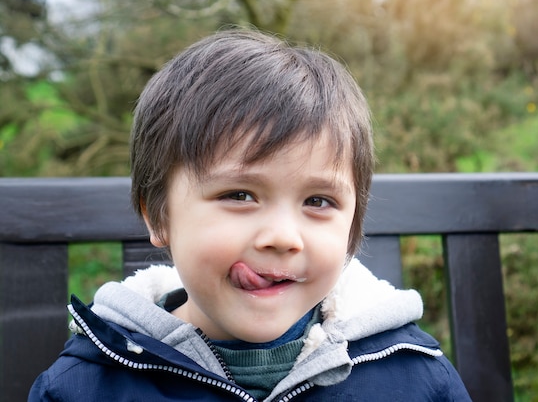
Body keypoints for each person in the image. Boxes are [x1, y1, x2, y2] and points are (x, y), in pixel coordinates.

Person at [29, 28, 471, 401]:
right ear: (159, 217)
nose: (282, 237)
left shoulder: (414, 379)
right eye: (239, 194)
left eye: (318, 201)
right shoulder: (85, 387)